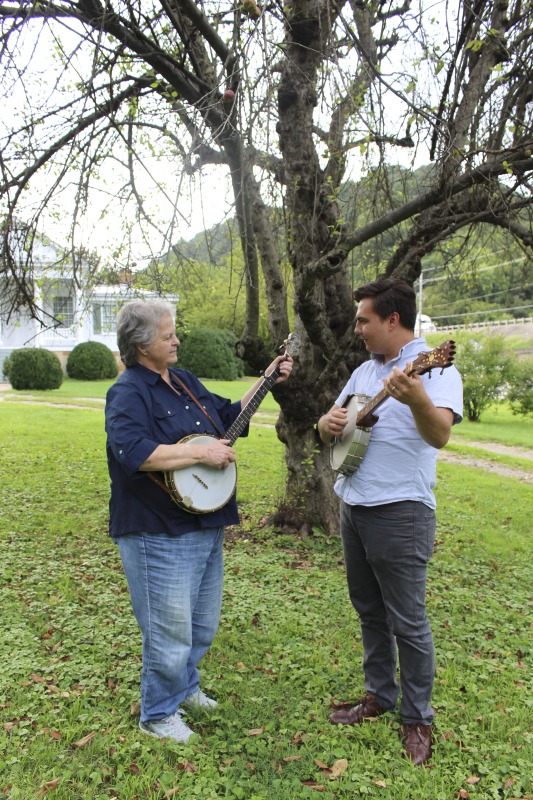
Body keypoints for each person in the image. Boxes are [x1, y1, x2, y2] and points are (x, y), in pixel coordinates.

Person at [105, 299, 293, 743]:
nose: (175, 339)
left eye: (173, 331)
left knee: (201, 623)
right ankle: (157, 714)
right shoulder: (128, 391)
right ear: (140, 344)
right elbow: (132, 451)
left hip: (205, 521)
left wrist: (266, 379)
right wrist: (198, 451)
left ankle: (186, 687)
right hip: (157, 529)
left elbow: (229, 419)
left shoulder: (184, 383)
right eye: (167, 334)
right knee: (168, 629)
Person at [317, 277, 462, 766]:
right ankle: (380, 693)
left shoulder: (433, 370)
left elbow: (439, 434)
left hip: (401, 511)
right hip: (353, 504)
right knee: (367, 609)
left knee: (409, 621)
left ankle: (417, 718)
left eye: (364, 319)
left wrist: (415, 398)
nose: (357, 327)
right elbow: (329, 422)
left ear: (392, 321)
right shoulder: (363, 371)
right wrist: (327, 423)